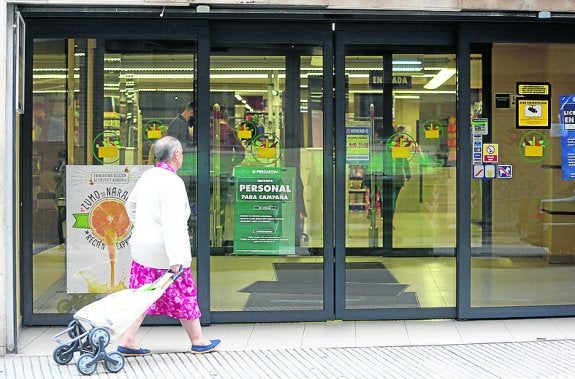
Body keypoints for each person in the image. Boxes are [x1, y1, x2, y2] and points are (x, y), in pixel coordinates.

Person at [117, 136, 221, 356]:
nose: (182, 156)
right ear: (176, 154)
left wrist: (144, 226)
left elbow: (130, 205)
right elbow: (173, 224)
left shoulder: (148, 176)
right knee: (184, 294)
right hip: (165, 252)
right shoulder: (173, 182)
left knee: (141, 296)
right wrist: (176, 259)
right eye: (181, 152)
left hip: (142, 249)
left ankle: (127, 340)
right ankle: (198, 340)